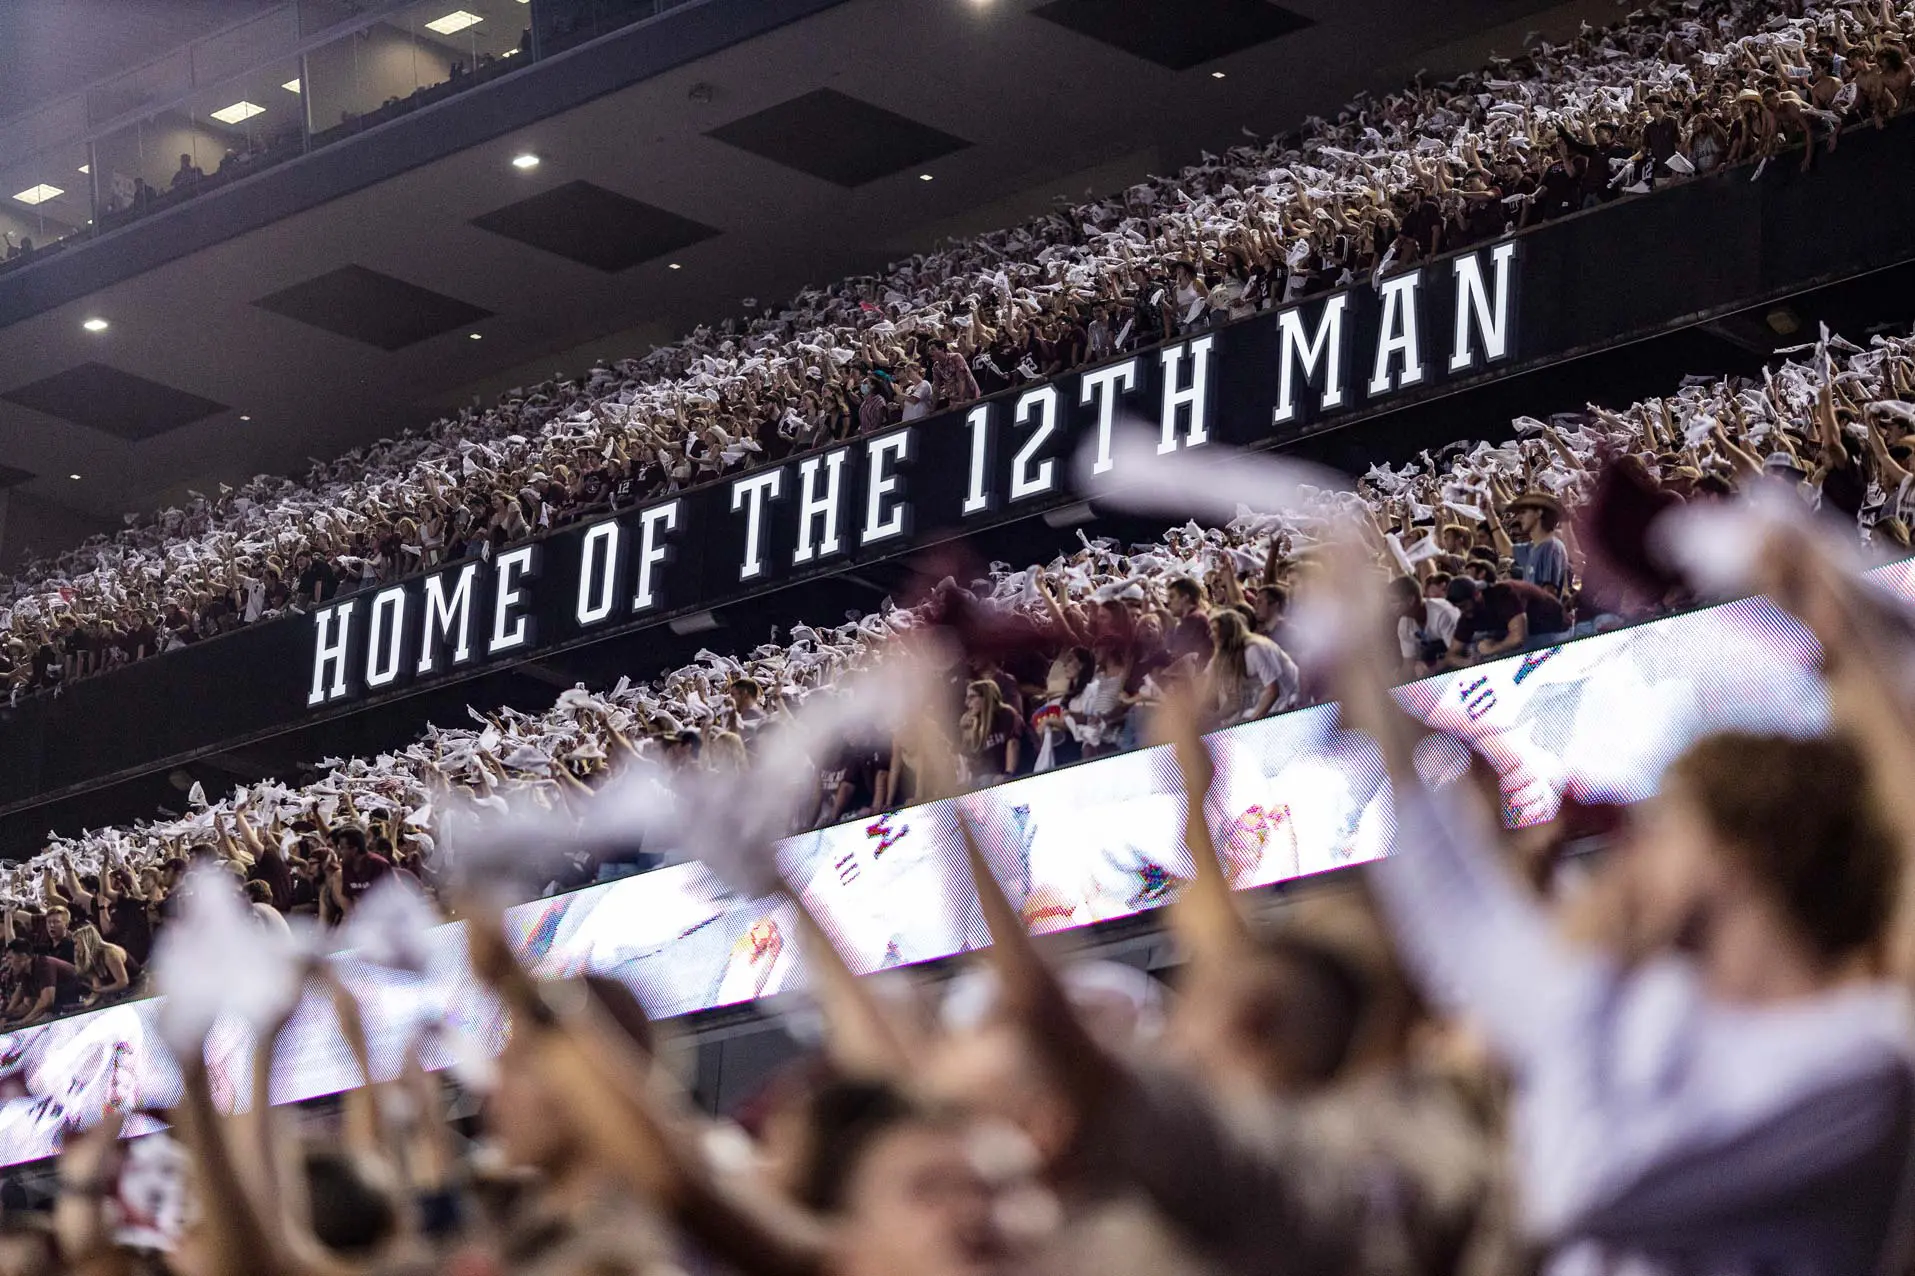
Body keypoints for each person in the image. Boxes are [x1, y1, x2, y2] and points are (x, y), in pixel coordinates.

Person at [1204, 608, 1297, 725]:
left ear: (1227, 631)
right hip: (1264, 706)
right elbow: (1235, 701)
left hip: (1287, 702)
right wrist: (1215, 718)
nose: (1211, 636)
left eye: (1215, 630)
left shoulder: (1254, 649)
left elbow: (1273, 691)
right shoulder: (1224, 658)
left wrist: (1252, 722)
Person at [958, 680, 1020, 784]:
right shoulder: (973, 722)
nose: (967, 702)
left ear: (985, 697)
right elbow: (965, 756)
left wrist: (1008, 774)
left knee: (986, 779)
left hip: (997, 775)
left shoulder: (1005, 714)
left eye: (972, 697)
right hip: (977, 777)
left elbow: (1013, 743)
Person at [68, 922, 133, 1005]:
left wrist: (100, 990)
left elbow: (123, 982)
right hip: (121, 994)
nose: (75, 948)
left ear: (86, 941)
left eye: (76, 943)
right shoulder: (92, 958)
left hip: (137, 987)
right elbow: (97, 986)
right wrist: (88, 1002)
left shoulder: (109, 953)